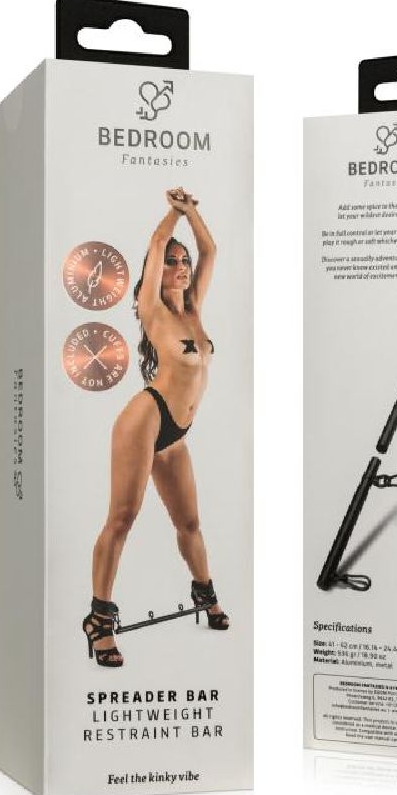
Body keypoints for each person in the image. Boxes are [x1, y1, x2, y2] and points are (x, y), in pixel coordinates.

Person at [83, 188, 230, 667]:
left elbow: (211, 250)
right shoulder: (155, 311)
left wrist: (192, 213)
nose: (182, 267)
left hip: (176, 435)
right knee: (122, 519)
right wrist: (172, 213)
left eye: (184, 262)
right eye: (172, 262)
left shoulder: (193, 309)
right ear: (155, 272)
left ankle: (205, 595)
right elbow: (155, 244)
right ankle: (99, 621)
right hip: (146, 419)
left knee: (190, 523)